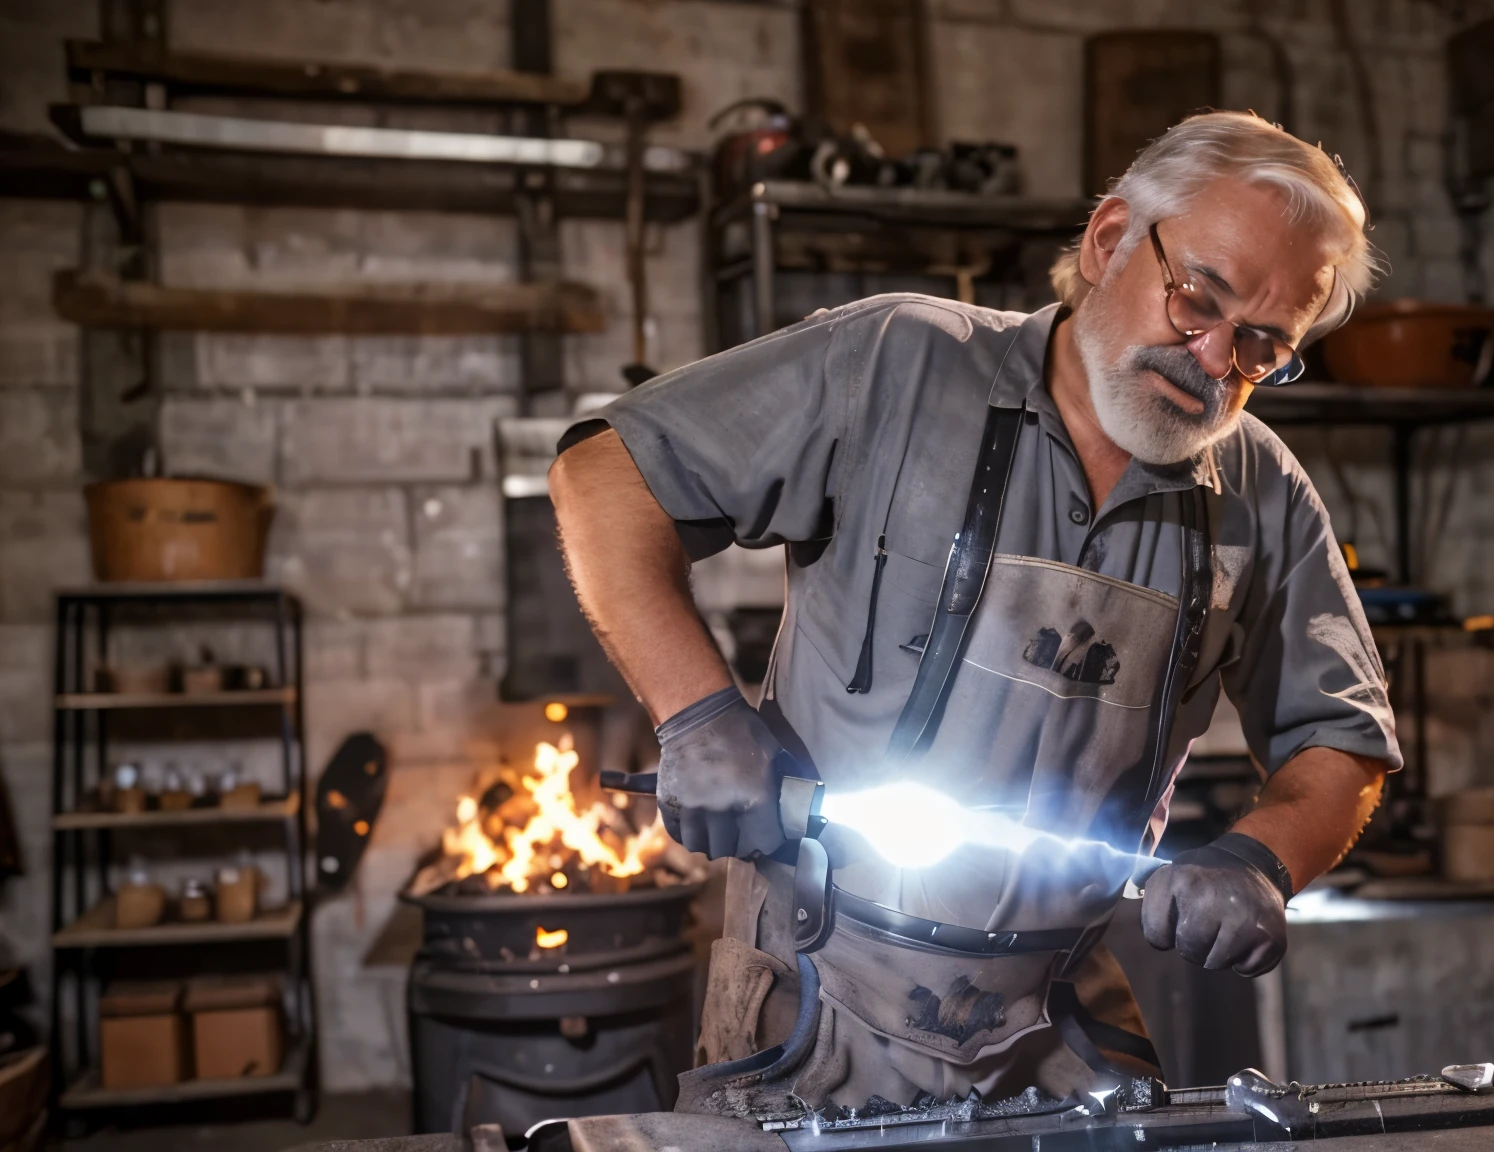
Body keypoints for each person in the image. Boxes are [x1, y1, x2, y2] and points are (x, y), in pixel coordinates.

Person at [549, 110, 1401, 1116]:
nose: (1214, 361)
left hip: (1058, 1021)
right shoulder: (895, 365)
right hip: (812, 1007)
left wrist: (1263, 858)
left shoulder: (1261, 489)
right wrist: (694, 711)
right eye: (1195, 301)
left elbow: (1340, 739)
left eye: (1263, 346)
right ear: (1109, 240)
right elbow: (606, 477)